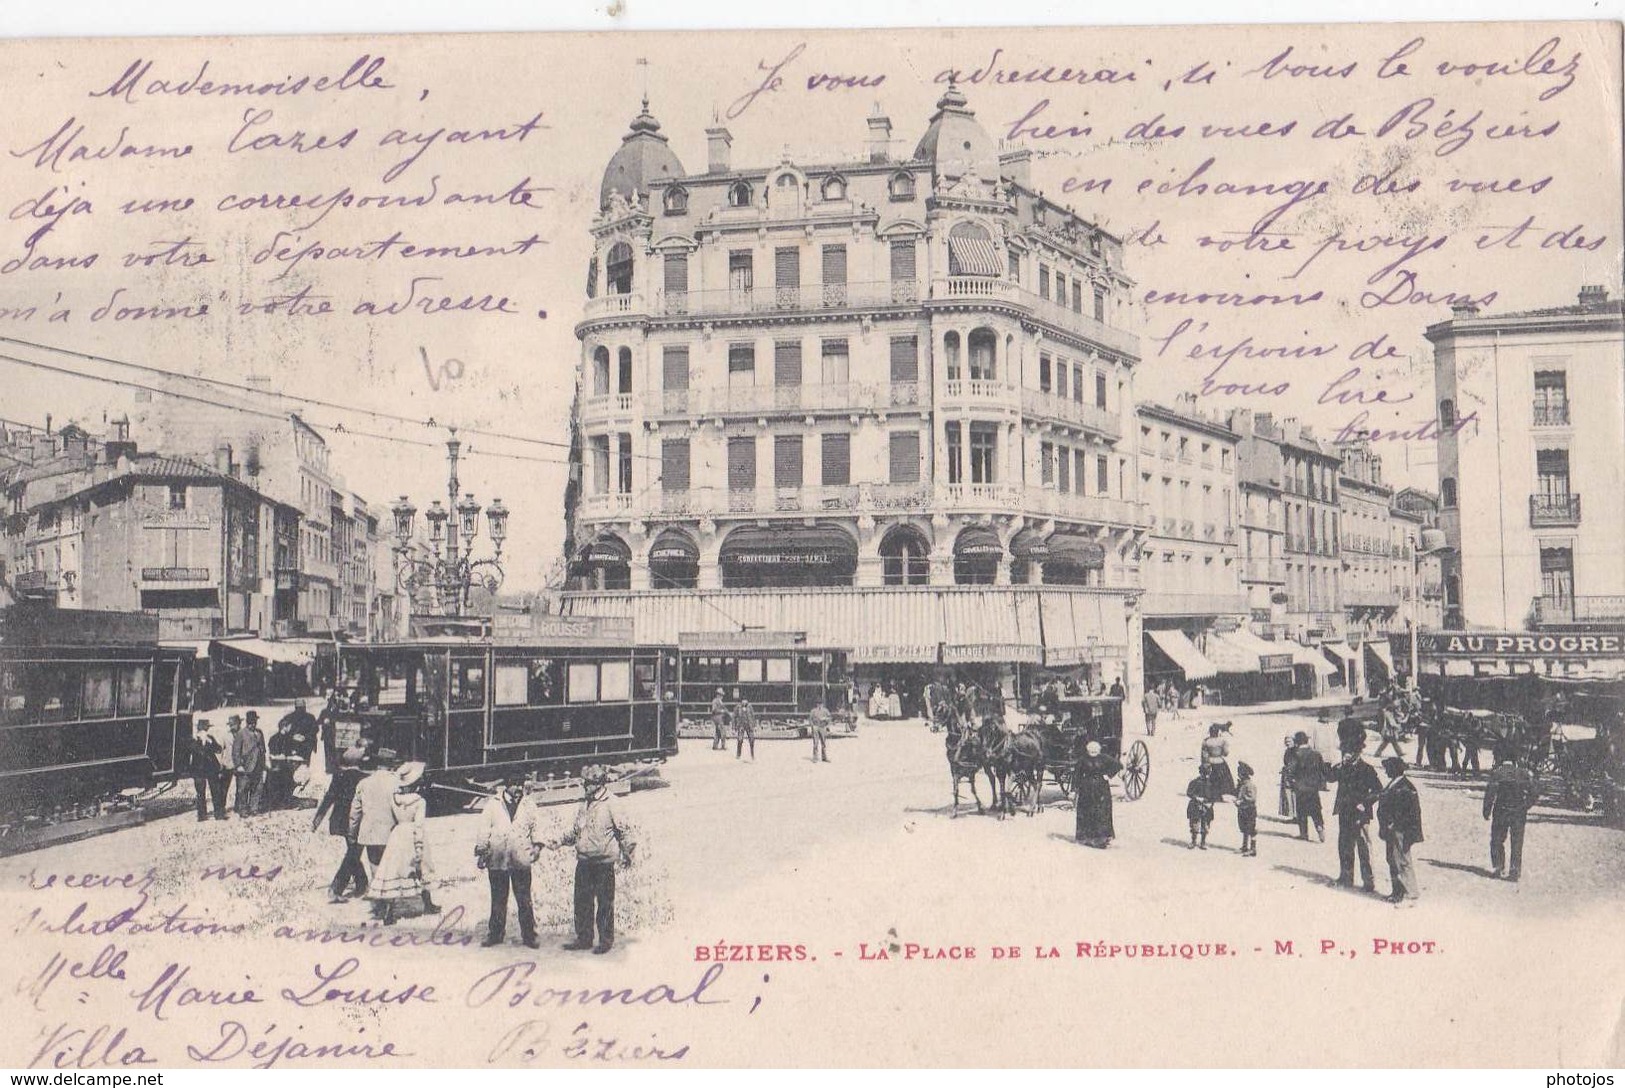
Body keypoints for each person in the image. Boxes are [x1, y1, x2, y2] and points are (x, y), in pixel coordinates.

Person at [547, 765, 637, 954]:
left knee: (605, 904)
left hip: (603, 863)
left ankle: (605, 941)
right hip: (584, 862)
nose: (585, 787)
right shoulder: (584, 804)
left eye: (588, 784)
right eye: (584, 783)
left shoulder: (612, 803)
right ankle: (584, 939)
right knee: (582, 903)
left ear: (599, 784)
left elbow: (625, 830)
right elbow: (575, 831)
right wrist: (560, 841)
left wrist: (627, 853)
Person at [367, 765, 441, 925]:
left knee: (394, 869)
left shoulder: (394, 799)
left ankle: (389, 912)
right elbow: (419, 825)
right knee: (421, 867)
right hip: (412, 833)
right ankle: (428, 904)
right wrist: (419, 845)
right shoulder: (420, 801)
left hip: (398, 834)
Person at [475, 774, 542, 948]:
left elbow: (537, 827)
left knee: (524, 898)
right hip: (498, 858)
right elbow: (484, 829)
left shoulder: (529, 805)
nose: (519, 788)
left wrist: (537, 847)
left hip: (520, 857)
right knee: (498, 898)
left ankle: (529, 936)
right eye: (514, 784)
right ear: (506, 786)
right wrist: (482, 851)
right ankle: (495, 934)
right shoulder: (493, 805)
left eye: (520, 784)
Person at [312, 747, 368, 903]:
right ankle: (336, 888)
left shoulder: (338, 776)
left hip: (340, 820)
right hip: (357, 820)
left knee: (353, 851)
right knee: (353, 853)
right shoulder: (364, 778)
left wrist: (317, 819)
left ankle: (362, 884)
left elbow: (329, 798)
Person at [1326, 743, 1382, 892]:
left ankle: (1368, 882)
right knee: (1344, 845)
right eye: (1344, 751)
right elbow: (1329, 778)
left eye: (1349, 751)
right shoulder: (1342, 767)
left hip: (1360, 814)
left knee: (1363, 846)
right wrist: (1332, 766)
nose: (1346, 754)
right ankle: (1345, 877)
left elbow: (1378, 790)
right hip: (1344, 811)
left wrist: (1365, 803)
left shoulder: (1367, 769)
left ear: (1357, 752)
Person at [349, 759, 404, 903]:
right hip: (391, 832)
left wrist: (352, 833)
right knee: (390, 868)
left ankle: (379, 901)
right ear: (391, 766)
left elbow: (355, 813)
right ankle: (389, 903)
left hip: (370, 832)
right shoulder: (396, 783)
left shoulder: (364, 783)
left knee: (375, 867)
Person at [1483, 749, 1537, 881]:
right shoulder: (1524, 774)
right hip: (1518, 812)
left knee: (1497, 840)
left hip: (1501, 811)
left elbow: (1490, 793)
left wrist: (1486, 810)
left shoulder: (1497, 773)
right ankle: (1514, 871)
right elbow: (1535, 792)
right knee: (1517, 842)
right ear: (1515, 760)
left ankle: (1498, 867)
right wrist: (1526, 805)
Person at [1377, 757, 1423, 906]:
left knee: (1401, 861)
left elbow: (1410, 812)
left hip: (1400, 831)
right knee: (1392, 859)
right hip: (1392, 830)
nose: (1386, 771)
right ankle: (1397, 892)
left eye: (1388, 768)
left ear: (1395, 770)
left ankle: (1409, 893)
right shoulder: (1395, 784)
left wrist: (1393, 823)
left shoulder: (1405, 787)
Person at [1072, 740, 1121, 848]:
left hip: (1101, 788)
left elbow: (1118, 765)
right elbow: (1077, 774)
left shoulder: (1104, 758)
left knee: (1101, 812)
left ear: (1098, 751)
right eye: (1091, 752)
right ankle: (1086, 837)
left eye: (1095, 752)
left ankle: (1102, 838)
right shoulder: (1083, 760)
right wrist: (1075, 789)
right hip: (1087, 789)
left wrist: (1108, 775)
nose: (1093, 754)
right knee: (1087, 811)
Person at [1287, 731, 1329, 842]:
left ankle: (1304, 833)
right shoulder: (1316, 754)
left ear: (1297, 742)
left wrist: (1291, 782)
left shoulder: (1296, 754)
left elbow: (1290, 770)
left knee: (1301, 811)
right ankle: (1319, 827)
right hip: (1313, 787)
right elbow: (1324, 770)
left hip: (1300, 787)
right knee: (1316, 809)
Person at [188, 719, 229, 821]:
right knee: (200, 793)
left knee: (216, 791)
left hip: (211, 769)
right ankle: (202, 815)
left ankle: (218, 814)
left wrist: (210, 742)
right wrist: (201, 742)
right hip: (198, 770)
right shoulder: (193, 739)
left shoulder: (210, 738)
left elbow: (219, 749)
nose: (206, 731)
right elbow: (193, 750)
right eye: (205, 728)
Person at [232, 711, 268, 817]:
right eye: (251, 722)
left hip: (258, 765)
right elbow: (235, 751)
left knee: (257, 787)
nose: (253, 724)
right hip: (245, 766)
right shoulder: (241, 733)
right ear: (247, 722)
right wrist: (238, 765)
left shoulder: (260, 733)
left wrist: (263, 764)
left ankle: (254, 808)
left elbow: (263, 749)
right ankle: (242, 809)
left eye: (255, 722)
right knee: (243, 789)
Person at [1200, 723, 1236, 798]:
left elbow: (1204, 755)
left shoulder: (1206, 741)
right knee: (1223, 779)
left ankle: (1212, 794)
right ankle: (1222, 793)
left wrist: (1205, 764)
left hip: (1210, 762)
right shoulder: (1222, 741)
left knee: (1212, 779)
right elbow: (1226, 753)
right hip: (1220, 761)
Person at [1186, 765, 1216, 850]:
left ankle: (1203, 842)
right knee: (1194, 825)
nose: (1206, 776)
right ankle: (1193, 841)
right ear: (1200, 773)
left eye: (1208, 774)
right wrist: (1196, 798)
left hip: (1207, 807)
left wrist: (1211, 803)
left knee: (1205, 825)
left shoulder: (1212, 784)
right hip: (1195, 806)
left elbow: (1215, 796)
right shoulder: (1195, 782)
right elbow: (1189, 792)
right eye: (1204, 774)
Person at [1235, 762, 1258, 857]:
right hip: (1242, 810)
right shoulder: (1242, 784)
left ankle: (1253, 849)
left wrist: (1241, 801)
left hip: (1249, 810)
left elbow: (1252, 798)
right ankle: (1244, 846)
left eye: (1240, 773)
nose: (1238, 775)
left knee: (1251, 829)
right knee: (1244, 828)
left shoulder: (1250, 785)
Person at [1278, 735, 1297, 820]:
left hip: (1295, 776)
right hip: (1287, 776)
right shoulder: (1287, 751)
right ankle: (1292, 815)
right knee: (1288, 795)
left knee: (1295, 796)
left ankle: (1297, 816)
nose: (1287, 743)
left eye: (1289, 741)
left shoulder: (1296, 751)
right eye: (1286, 742)